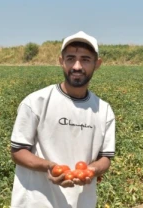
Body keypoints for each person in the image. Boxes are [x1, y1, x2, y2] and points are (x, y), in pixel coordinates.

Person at [10, 31, 115, 208]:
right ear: (61, 61)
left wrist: (93, 170)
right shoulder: (36, 102)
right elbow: (18, 151)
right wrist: (49, 166)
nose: (77, 66)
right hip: (37, 202)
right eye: (70, 58)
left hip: (82, 203)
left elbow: (105, 157)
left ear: (97, 64)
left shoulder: (104, 111)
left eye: (85, 59)